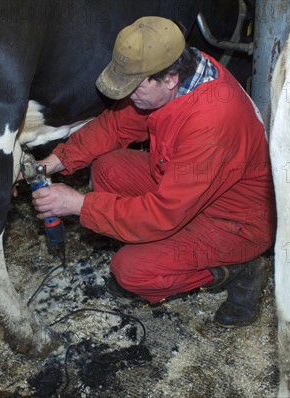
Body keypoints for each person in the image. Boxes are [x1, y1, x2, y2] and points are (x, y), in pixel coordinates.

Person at [30, 16, 276, 327]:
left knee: (132, 271)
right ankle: (153, 246)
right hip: (191, 187)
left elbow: (164, 214)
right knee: (108, 168)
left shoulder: (211, 122)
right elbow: (116, 125)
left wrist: (78, 205)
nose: (127, 96)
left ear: (170, 78)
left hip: (235, 223)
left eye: (134, 87)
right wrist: (56, 160)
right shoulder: (181, 74)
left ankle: (239, 268)